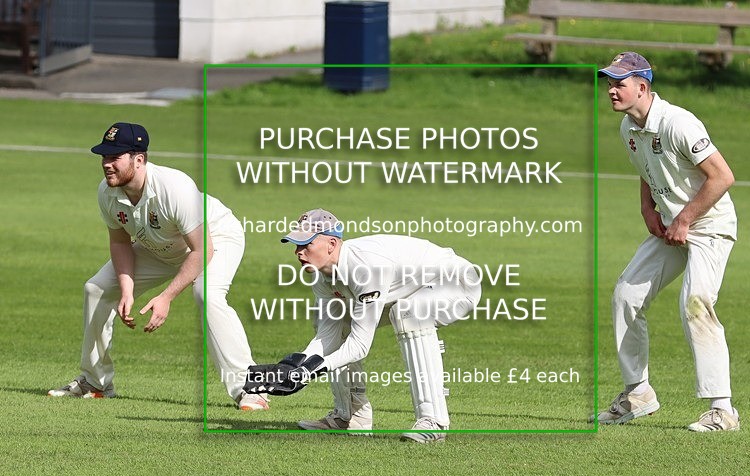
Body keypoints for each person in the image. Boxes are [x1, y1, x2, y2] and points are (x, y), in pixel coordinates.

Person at [48, 122, 268, 411]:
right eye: (104, 157)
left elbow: (203, 249)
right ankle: (95, 382)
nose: (106, 164)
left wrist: (166, 297)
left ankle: (250, 389)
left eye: (115, 157)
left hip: (214, 238)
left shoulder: (175, 187)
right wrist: (127, 289)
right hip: (161, 245)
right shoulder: (107, 192)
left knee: (207, 295)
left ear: (139, 159)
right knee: (97, 289)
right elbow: (120, 243)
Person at [245, 209, 481, 442]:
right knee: (334, 321)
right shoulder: (320, 276)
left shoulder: (365, 268)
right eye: (296, 245)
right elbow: (329, 335)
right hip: (406, 288)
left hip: (455, 282)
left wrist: (309, 371)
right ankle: (350, 416)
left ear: (331, 243)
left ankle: (434, 421)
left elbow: (359, 345)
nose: (299, 252)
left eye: (307, 244)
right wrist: (293, 365)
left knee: (408, 314)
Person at [594, 52, 739, 431]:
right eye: (609, 83)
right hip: (672, 225)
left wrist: (687, 219)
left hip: (709, 226)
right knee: (626, 295)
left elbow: (722, 177)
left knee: (695, 302)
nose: (611, 90)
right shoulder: (629, 127)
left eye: (619, 83)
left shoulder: (678, 123)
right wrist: (647, 209)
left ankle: (722, 410)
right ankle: (637, 393)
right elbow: (646, 169)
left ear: (642, 86)